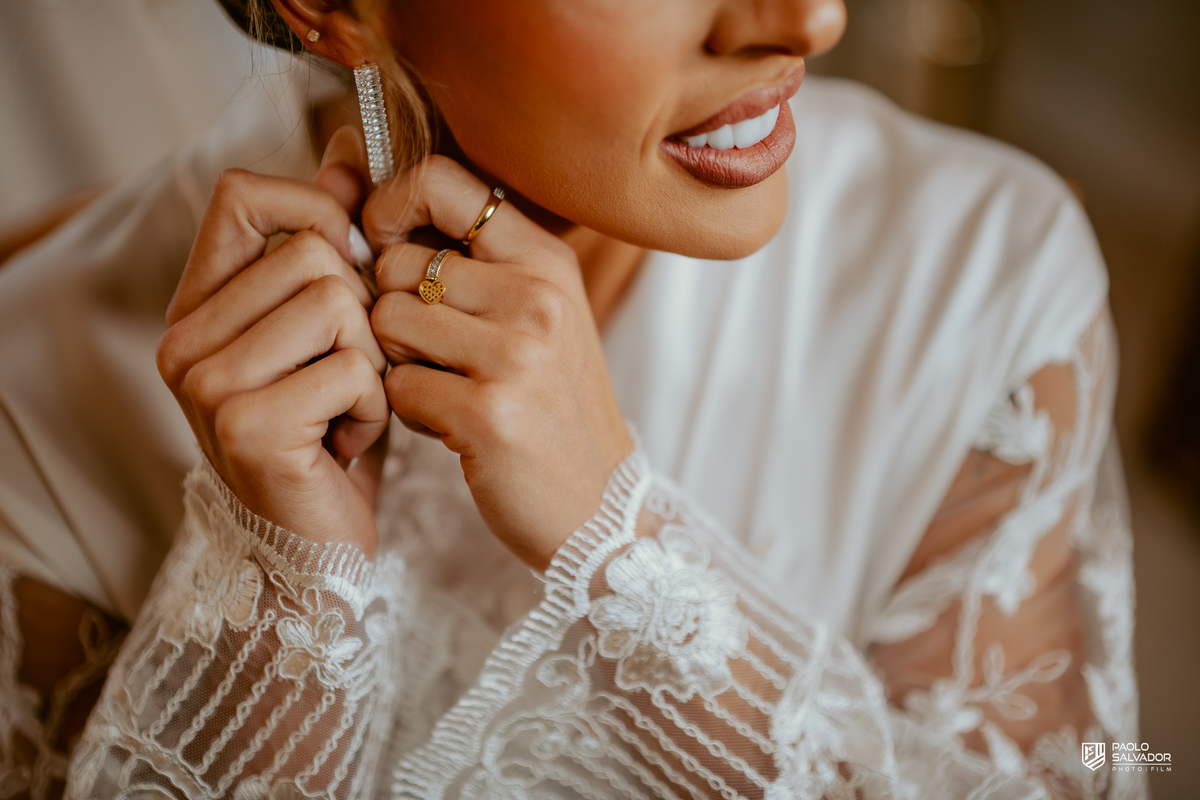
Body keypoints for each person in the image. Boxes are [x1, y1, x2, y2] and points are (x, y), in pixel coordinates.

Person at [0, 0, 1144, 798]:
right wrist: (282, 596)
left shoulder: (984, 275)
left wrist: (632, 560)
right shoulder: (43, 376)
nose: (809, 19)